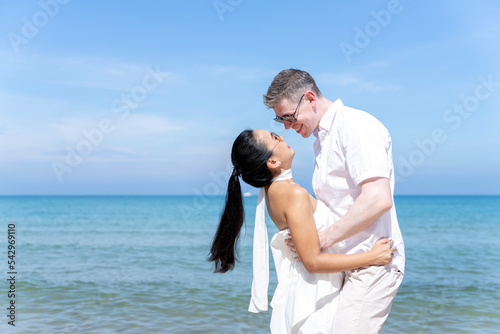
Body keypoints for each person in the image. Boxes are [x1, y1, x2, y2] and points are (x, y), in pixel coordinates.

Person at [208, 129, 396, 333]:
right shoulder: (293, 194)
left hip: (306, 289)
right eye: (274, 138)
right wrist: (372, 257)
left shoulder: (272, 191)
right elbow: (312, 262)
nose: (281, 137)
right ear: (272, 163)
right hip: (315, 296)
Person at [263, 69, 405, 333]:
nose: (285, 127)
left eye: (288, 117)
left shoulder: (355, 126)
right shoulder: (322, 140)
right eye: (279, 119)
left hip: (371, 265)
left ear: (310, 98)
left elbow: (378, 198)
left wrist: (322, 240)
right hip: (345, 265)